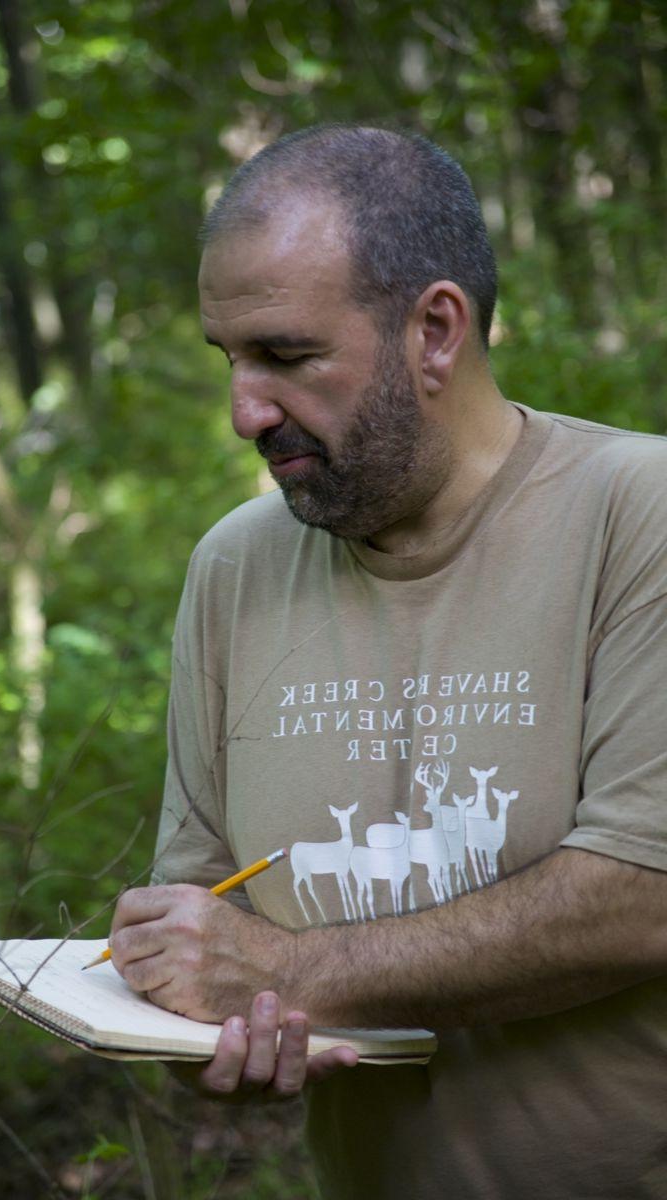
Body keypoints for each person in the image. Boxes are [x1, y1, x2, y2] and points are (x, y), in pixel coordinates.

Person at [110, 125, 667, 1199]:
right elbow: (201, 923)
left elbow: (643, 894)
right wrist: (196, 1022)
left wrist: (290, 975)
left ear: (435, 331)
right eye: (226, 360)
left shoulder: (633, 515)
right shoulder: (233, 569)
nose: (244, 412)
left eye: (283, 355)